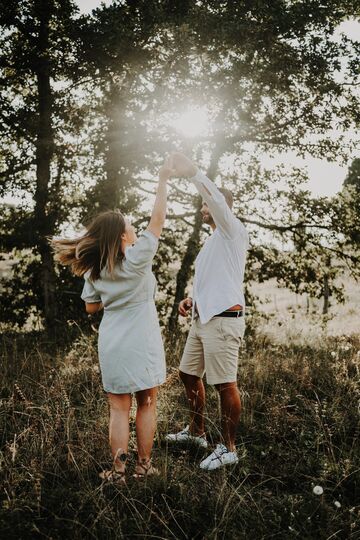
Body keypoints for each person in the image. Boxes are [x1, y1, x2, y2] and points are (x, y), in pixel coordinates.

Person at [52, 157, 175, 483]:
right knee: (146, 404)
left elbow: (91, 310)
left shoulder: (94, 269)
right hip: (143, 340)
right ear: (122, 236)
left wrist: (115, 300)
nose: (136, 229)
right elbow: (159, 218)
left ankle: (118, 472)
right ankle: (144, 468)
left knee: (118, 410)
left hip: (113, 342)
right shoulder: (138, 257)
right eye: (131, 227)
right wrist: (163, 178)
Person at [166, 152, 249, 471]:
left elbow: (214, 199)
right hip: (204, 320)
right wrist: (191, 300)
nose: (203, 209)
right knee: (188, 374)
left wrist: (195, 174)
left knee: (225, 384)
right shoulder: (215, 241)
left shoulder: (231, 229)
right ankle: (197, 432)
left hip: (224, 321)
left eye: (207, 205)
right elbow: (214, 281)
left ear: (221, 207)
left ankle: (228, 448)